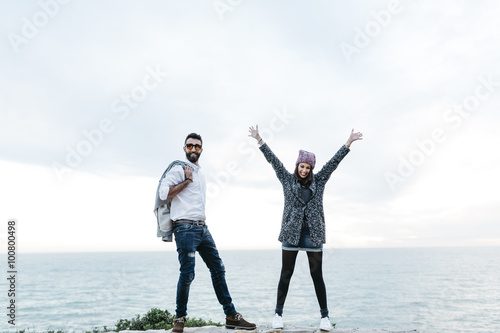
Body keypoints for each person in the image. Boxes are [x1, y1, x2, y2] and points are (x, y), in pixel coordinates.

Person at [248, 125, 363, 331]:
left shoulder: (319, 180)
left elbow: (333, 163)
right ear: (297, 166)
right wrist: (259, 139)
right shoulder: (286, 179)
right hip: (291, 234)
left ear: (311, 169)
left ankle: (325, 318)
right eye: (302, 166)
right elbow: (273, 160)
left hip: (313, 234)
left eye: (308, 167)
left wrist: (349, 142)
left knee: (316, 274)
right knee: (286, 273)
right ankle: (278, 315)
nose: (304, 170)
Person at [158, 133, 256, 333]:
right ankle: (179, 319)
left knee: (218, 269)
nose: (193, 149)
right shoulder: (179, 169)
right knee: (187, 274)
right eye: (190, 146)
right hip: (185, 228)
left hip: (202, 228)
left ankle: (231, 316)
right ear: (184, 148)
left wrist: (191, 179)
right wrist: (186, 181)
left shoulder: (199, 172)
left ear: (201, 150)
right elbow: (163, 193)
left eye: (197, 146)